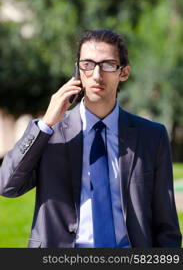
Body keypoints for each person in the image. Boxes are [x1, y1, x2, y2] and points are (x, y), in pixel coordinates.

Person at [0, 29, 182, 248]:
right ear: (77, 71)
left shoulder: (152, 136)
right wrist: (46, 123)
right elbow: (7, 186)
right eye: (87, 64)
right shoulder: (50, 132)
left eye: (107, 65)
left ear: (123, 72)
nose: (96, 74)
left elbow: (167, 226)